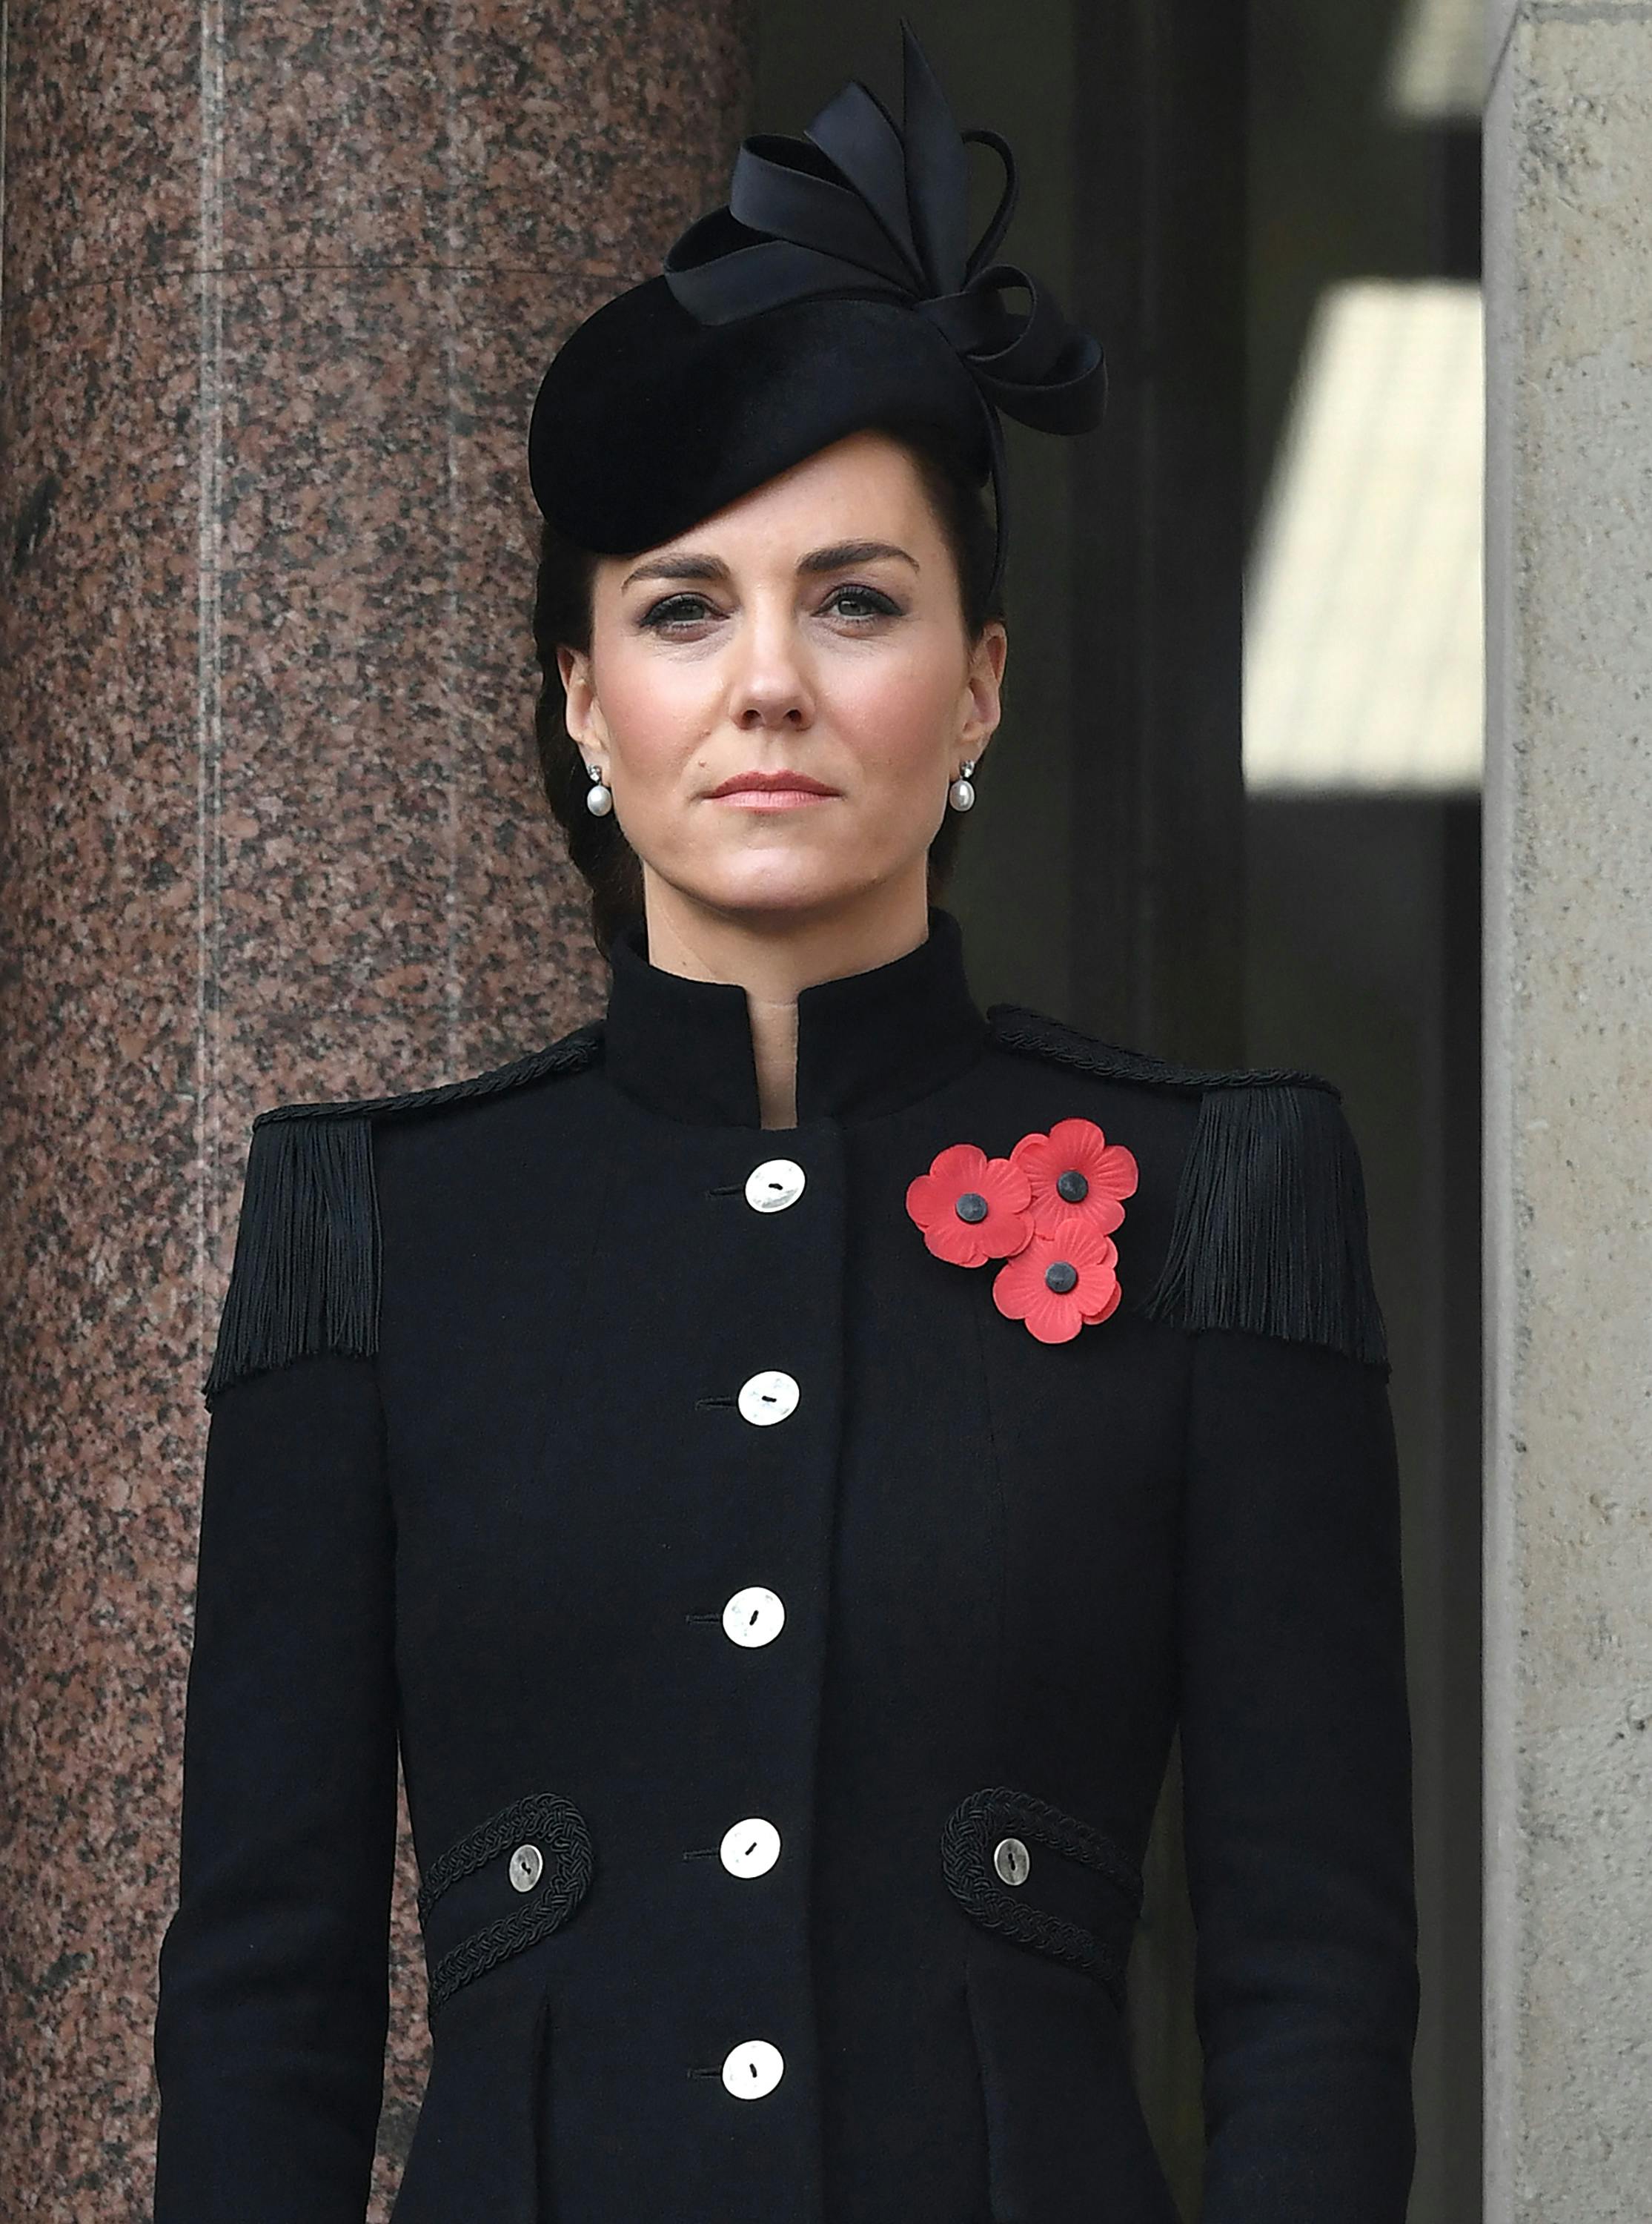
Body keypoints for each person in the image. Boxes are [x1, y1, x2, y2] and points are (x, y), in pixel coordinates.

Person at [150, 28, 1418, 2224]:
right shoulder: (380, 1228)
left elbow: (1310, 1988)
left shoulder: (1228, 1201)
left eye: (855, 601)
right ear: (579, 702)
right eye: (678, 610)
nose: (767, 687)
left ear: (984, 681)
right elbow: (269, 2003)